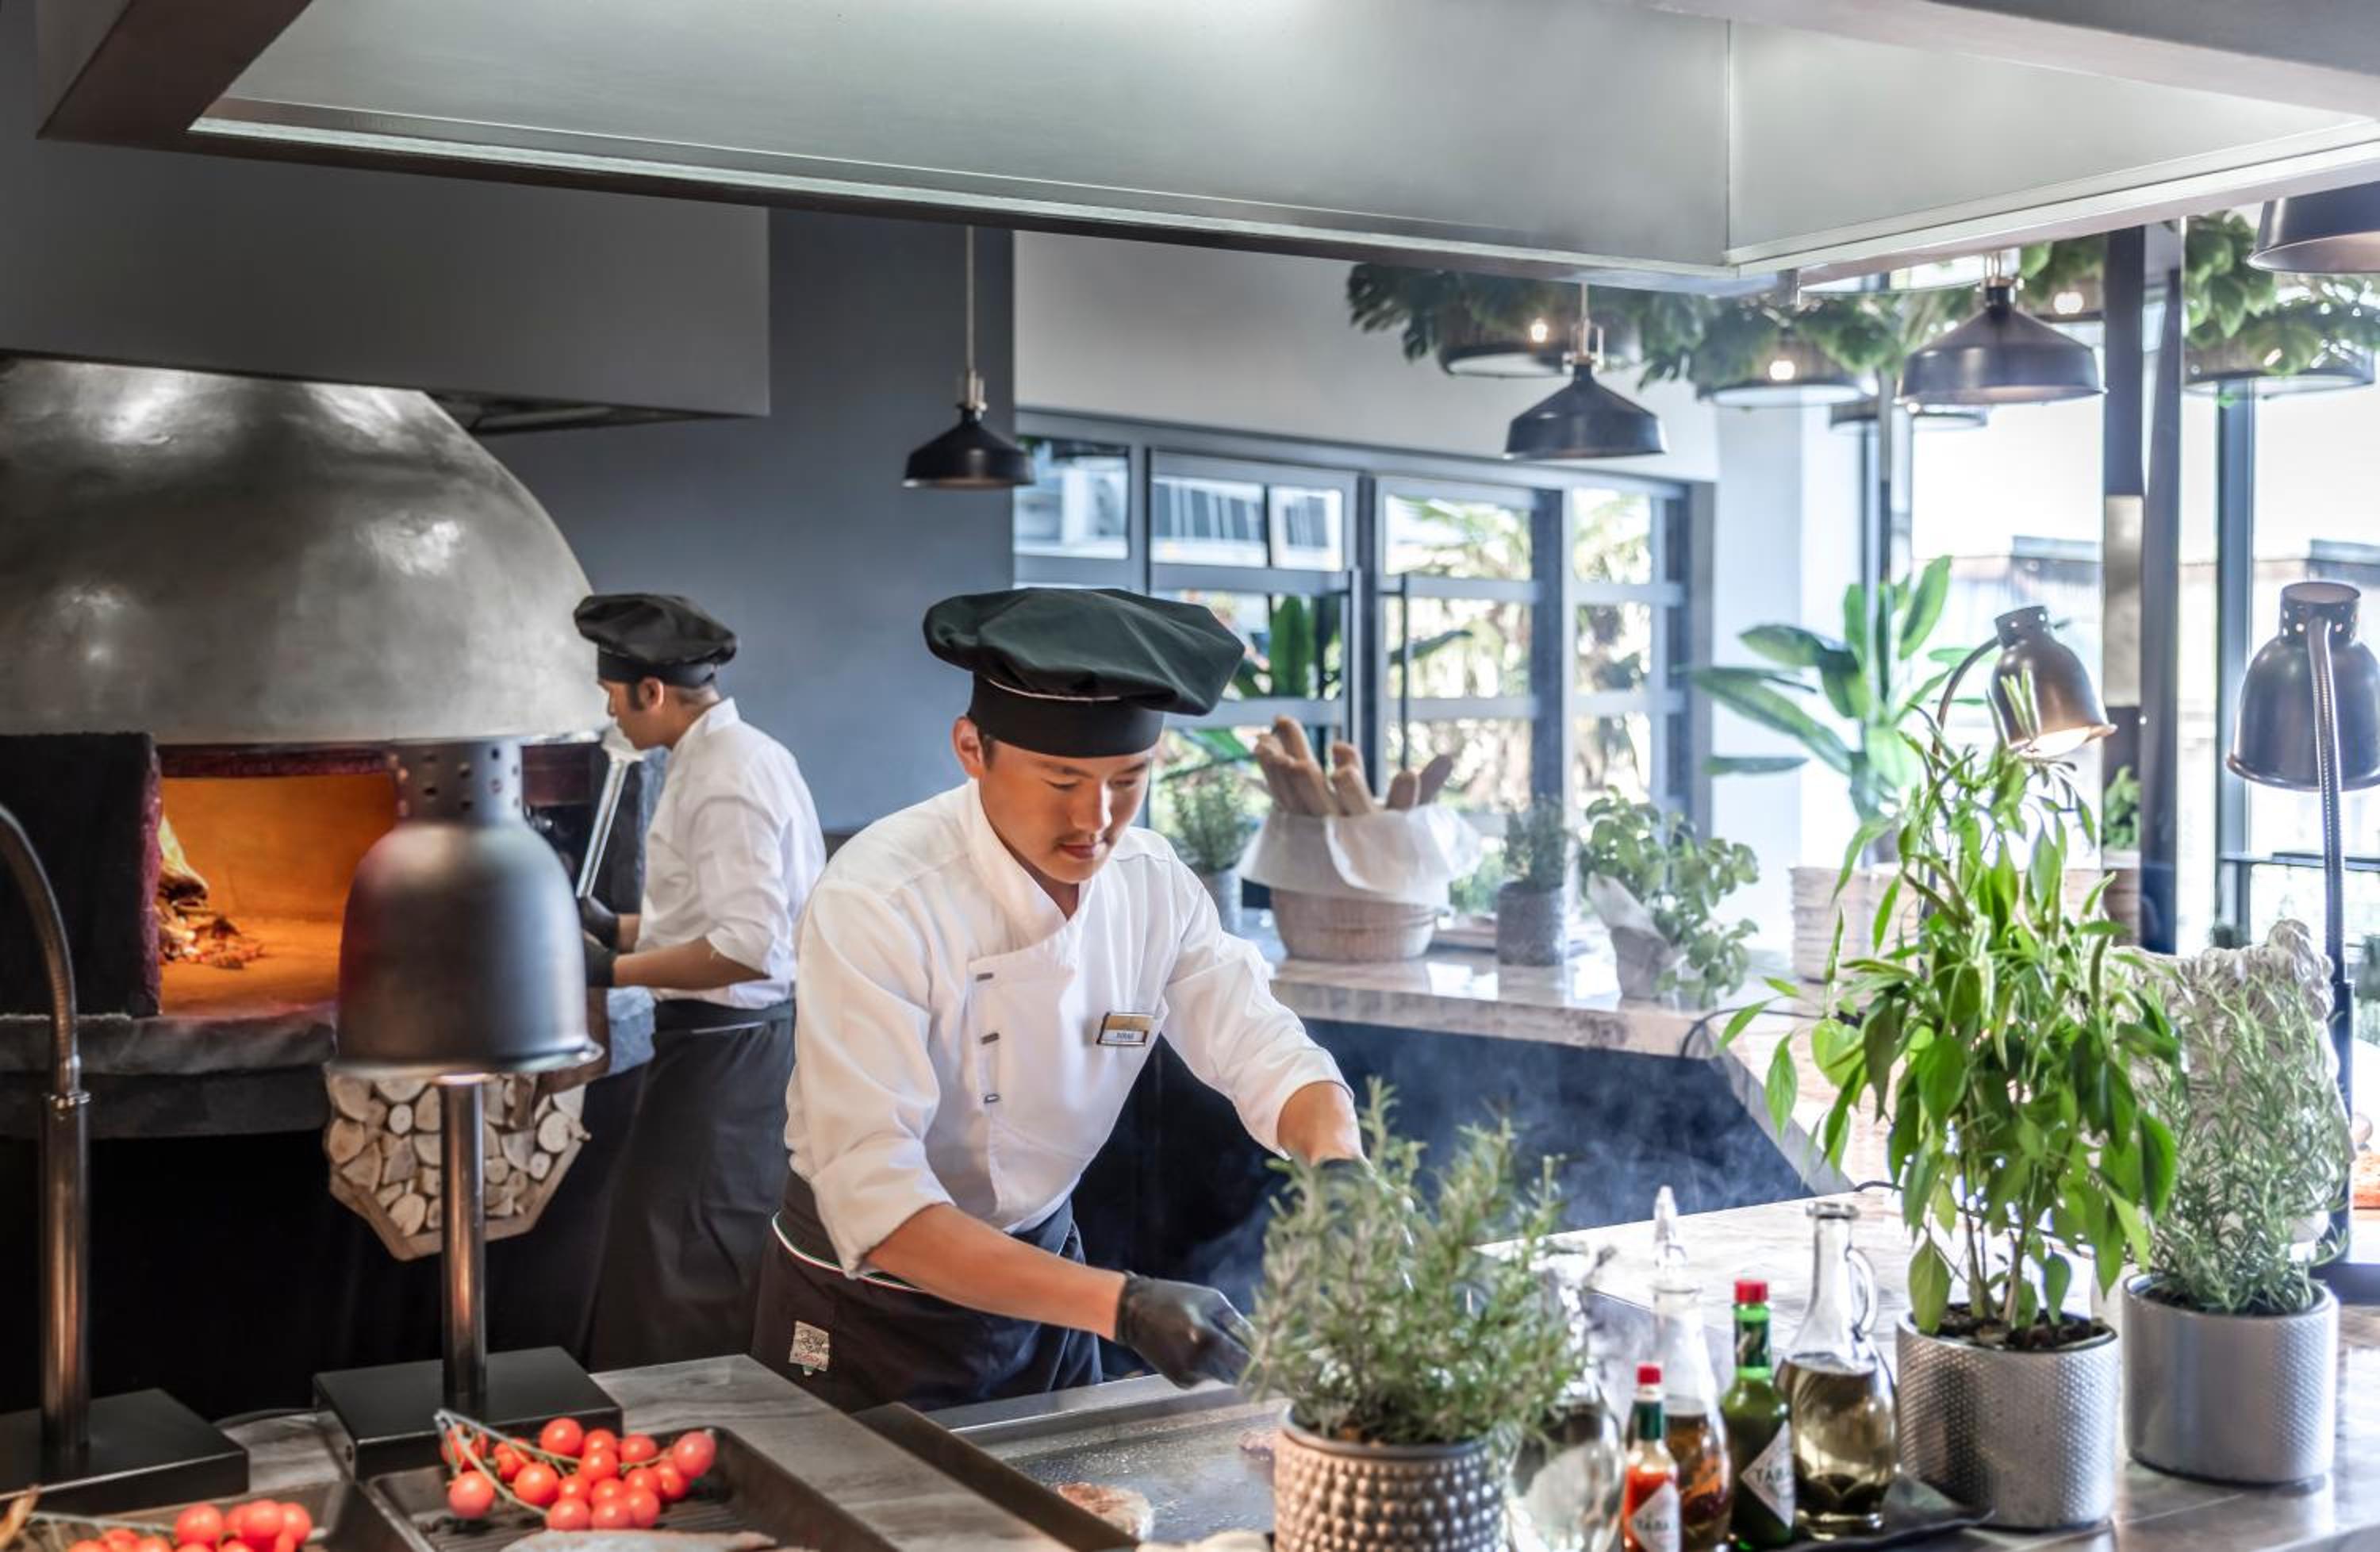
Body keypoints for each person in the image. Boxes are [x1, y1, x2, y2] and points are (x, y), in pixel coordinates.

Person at [752, 587, 1361, 1412]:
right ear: (972, 749)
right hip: (870, 1309)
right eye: (1062, 780)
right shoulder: (879, 898)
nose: (1096, 820)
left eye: (1128, 780)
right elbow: (879, 1200)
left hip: (1049, 1291)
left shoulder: (1151, 883)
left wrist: (1341, 1172)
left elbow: (1262, 1047)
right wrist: (1124, 1306)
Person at [573, 592, 827, 1367]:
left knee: (686, 1259)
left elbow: (749, 948)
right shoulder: (727, 755)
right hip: (714, 1046)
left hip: (730, 1054)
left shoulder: (726, 776)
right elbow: (707, 918)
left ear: (651, 691)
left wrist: (610, 970)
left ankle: (695, 1423)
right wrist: (612, 926)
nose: (610, 713)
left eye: (613, 695)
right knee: (660, 1245)